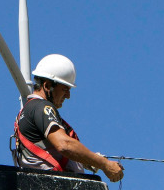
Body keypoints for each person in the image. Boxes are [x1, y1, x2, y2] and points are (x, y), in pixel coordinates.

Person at [13, 54, 124, 182]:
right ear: (48, 86)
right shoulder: (41, 107)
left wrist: (89, 161)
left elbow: (53, 151)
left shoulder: (31, 110)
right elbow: (64, 145)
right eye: (65, 89)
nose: (68, 96)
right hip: (54, 189)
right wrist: (104, 164)